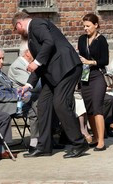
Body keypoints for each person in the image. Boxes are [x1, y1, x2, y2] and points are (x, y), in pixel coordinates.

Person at [12, 12, 88, 158]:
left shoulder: (36, 24)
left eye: (16, 29)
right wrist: (28, 84)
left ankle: (79, 143)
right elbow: (41, 62)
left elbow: (49, 42)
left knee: (60, 104)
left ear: (19, 24)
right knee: (43, 105)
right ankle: (44, 146)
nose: (17, 33)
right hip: (53, 74)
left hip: (67, 68)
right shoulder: (32, 37)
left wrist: (36, 62)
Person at [0, 44, 40, 154]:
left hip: (10, 102)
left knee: (35, 102)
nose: (2, 61)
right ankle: (40, 141)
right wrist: (18, 97)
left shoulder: (0, 72)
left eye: (3, 58)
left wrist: (20, 92)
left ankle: (36, 142)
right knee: (35, 104)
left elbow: (10, 88)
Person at [78, 13, 109, 151]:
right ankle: (95, 137)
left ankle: (101, 141)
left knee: (97, 108)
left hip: (97, 76)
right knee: (89, 109)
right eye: (84, 26)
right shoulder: (81, 39)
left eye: (88, 26)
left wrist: (90, 62)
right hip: (85, 77)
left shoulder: (101, 40)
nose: (85, 29)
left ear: (96, 25)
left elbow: (105, 61)